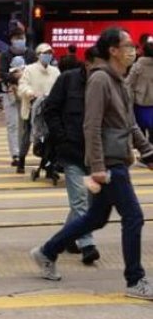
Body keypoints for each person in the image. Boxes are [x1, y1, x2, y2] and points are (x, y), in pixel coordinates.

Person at [30, 28, 153, 300]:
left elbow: (129, 123)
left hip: (118, 157)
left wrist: (147, 152)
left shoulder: (119, 80)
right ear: (113, 50)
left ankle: (47, 251)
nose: (133, 50)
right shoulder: (100, 80)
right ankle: (135, 280)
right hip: (108, 162)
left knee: (95, 218)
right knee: (133, 217)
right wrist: (97, 166)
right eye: (128, 45)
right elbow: (92, 125)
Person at [44, 46, 101, 266]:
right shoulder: (67, 81)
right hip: (72, 151)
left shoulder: (105, 83)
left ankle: (68, 237)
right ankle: (88, 244)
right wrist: (62, 137)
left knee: (86, 200)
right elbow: (51, 110)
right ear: (86, 63)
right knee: (79, 200)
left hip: (95, 153)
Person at [16, 43, 60, 174]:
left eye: (50, 53)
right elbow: (22, 86)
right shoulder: (29, 69)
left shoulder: (55, 71)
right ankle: (21, 160)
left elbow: (59, 87)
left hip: (48, 110)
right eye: (45, 53)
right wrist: (30, 93)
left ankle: (47, 163)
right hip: (32, 108)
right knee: (27, 136)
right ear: (38, 55)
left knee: (49, 137)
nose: (48, 56)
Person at [0, 25, 34, 166]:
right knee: (12, 124)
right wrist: (15, 76)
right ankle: (15, 154)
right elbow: (2, 74)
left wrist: (23, 75)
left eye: (22, 38)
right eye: (16, 38)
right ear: (11, 40)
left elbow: (34, 72)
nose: (20, 40)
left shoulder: (31, 55)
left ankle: (22, 153)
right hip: (10, 93)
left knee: (23, 125)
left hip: (26, 94)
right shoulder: (5, 55)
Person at [126, 38, 153, 142]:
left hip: (139, 104)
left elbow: (128, 84)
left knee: (139, 133)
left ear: (143, 51)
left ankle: (144, 155)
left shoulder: (137, 66)